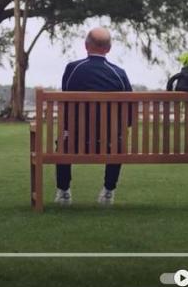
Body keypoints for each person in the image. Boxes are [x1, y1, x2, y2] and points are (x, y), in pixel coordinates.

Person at [54, 27, 132, 206]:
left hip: (73, 142)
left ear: (86, 45)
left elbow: (66, 103)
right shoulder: (118, 74)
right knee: (118, 141)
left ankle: (64, 191)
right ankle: (108, 192)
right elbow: (129, 113)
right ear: (109, 48)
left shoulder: (73, 69)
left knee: (63, 139)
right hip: (111, 143)